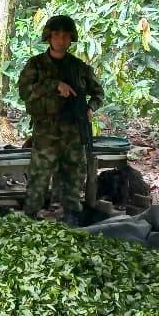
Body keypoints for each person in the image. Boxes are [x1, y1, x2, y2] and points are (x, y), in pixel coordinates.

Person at [17, 14, 104, 225]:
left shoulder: (79, 67)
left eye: (65, 36)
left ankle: (71, 216)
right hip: (46, 131)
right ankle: (30, 217)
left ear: (71, 38)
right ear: (49, 37)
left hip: (73, 131)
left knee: (74, 174)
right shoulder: (36, 65)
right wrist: (55, 85)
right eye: (56, 35)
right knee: (40, 175)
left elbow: (98, 93)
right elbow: (24, 91)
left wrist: (90, 108)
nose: (61, 40)